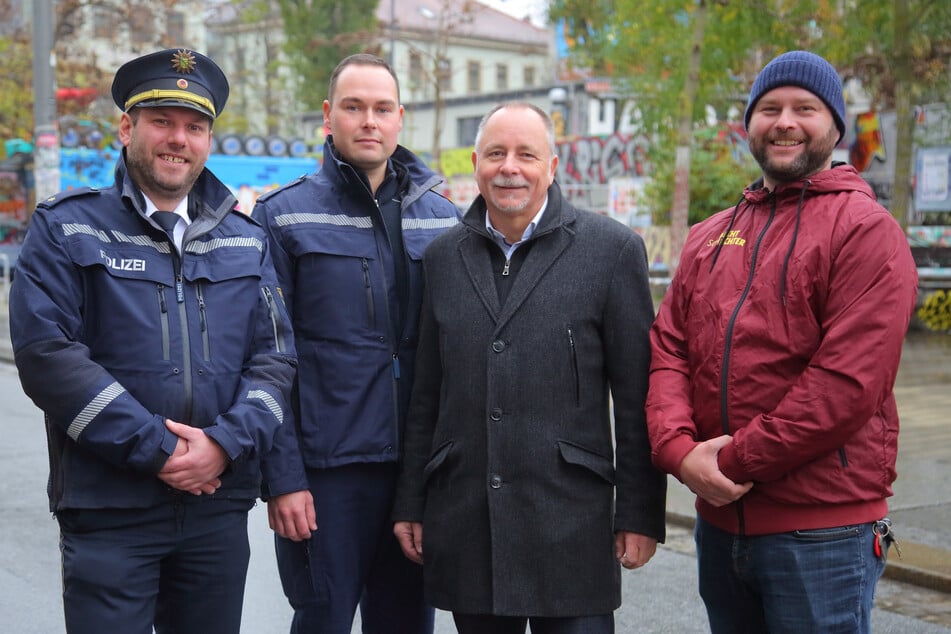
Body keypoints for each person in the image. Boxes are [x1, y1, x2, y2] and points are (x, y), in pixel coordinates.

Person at [9, 48, 297, 634]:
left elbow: (275, 361)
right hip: (109, 508)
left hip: (215, 508)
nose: (178, 139)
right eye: (162, 121)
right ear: (127, 127)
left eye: (194, 126)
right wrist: (161, 451)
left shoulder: (247, 240)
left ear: (209, 140)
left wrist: (222, 444)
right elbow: (47, 357)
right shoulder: (67, 225)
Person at [646, 50, 919, 633]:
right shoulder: (709, 237)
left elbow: (845, 386)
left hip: (822, 533)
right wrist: (676, 451)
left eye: (805, 108)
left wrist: (725, 462)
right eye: (769, 108)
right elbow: (669, 349)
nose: (785, 121)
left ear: (835, 126)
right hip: (720, 530)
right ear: (750, 123)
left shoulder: (867, 232)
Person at [391, 101, 667, 633]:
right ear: (475, 163)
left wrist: (639, 513)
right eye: (496, 153)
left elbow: (637, 398)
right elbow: (427, 395)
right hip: (468, 520)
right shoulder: (444, 259)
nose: (509, 167)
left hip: (570, 524)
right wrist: (412, 502)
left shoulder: (611, 251)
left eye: (526, 154)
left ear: (553, 166)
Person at [252, 53, 460, 633]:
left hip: (416, 476)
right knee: (322, 621)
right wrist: (283, 478)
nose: (369, 120)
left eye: (381, 108)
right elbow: (268, 358)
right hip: (326, 475)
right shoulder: (283, 216)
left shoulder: (444, 219)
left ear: (400, 118)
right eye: (353, 107)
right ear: (328, 116)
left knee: (407, 624)